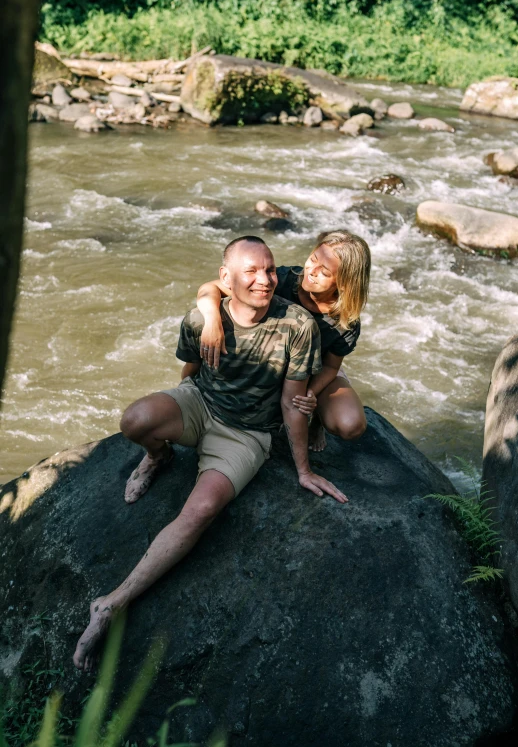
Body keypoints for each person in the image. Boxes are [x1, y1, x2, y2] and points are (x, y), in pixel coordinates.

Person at [73, 235, 347, 671]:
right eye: (251, 271)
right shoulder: (202, 318)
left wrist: (303, 469)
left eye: (271, 270)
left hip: (247, 434)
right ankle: (159, 457)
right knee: (134, 420)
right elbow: (190, 370)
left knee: (200, 510)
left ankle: (110, 604)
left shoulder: (299, 325)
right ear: (226, 278)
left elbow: (291, 403)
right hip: (199, 403)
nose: (264, 280)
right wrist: (180, 390)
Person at [197, 229, 370, 453]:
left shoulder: (347, 320)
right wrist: (212, 322)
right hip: (274, 359)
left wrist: (310, 394)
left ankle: (317, 421)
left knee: (351, 426)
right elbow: (209, 288)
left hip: (315, 369)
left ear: (345, 283)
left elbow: (330, 366)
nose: (311, 271)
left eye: (324, 271)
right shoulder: (282, 280)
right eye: (313, 259)